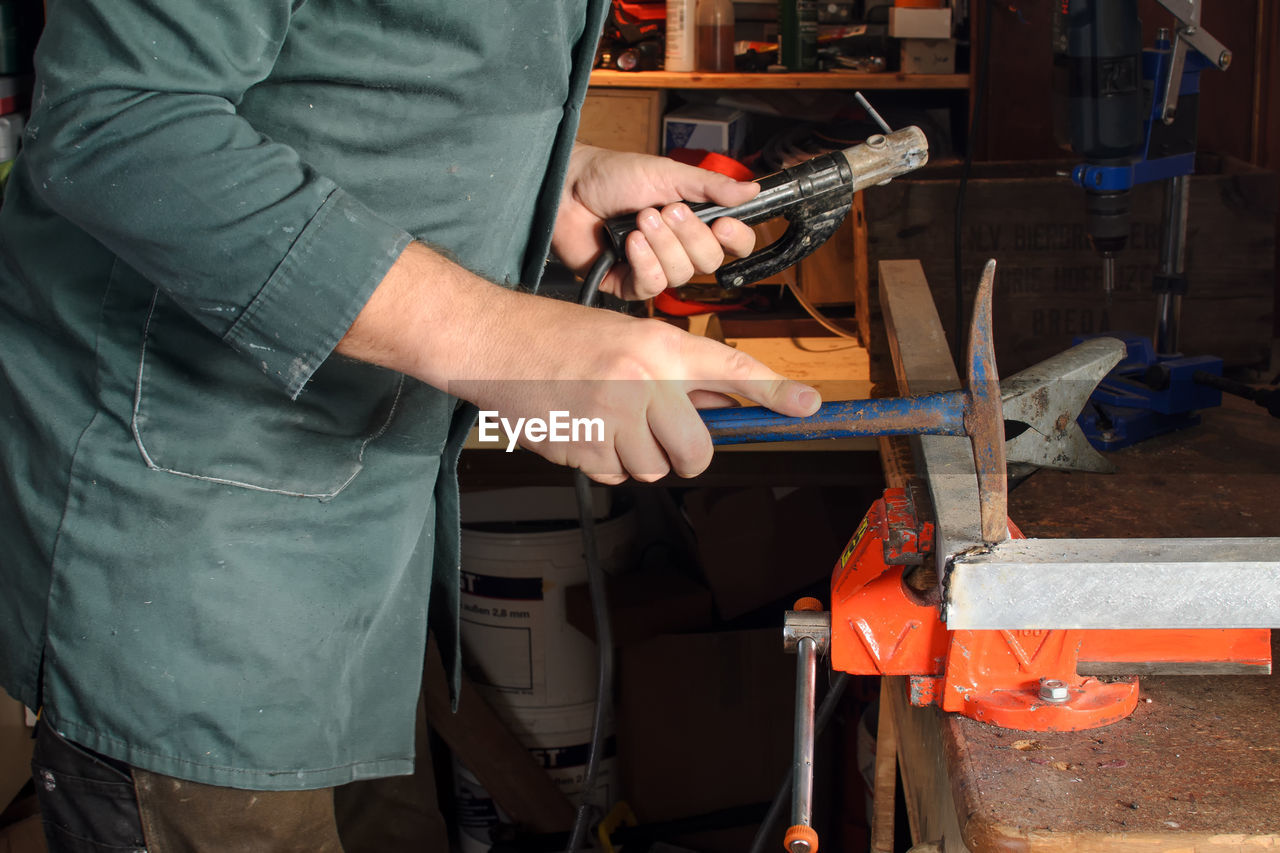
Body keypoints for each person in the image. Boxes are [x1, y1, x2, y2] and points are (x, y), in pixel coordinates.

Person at [0, 1, 820, 849]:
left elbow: (358, 60)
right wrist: (507, 342)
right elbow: (120, 123)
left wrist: (556, 184)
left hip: (365, 542)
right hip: (190, 556)